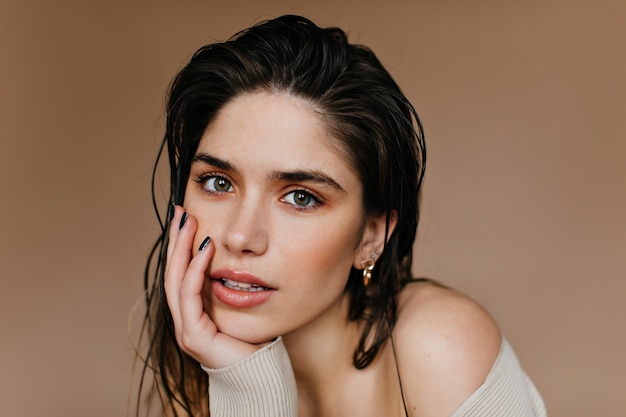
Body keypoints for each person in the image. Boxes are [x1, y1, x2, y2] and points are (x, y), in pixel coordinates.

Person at [138, 14, 546, 417]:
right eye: (218, 183)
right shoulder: (200, 380)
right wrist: (248, 389)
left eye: (300, 197)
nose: (241, 236)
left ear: (371, 237)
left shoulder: (439, 348)